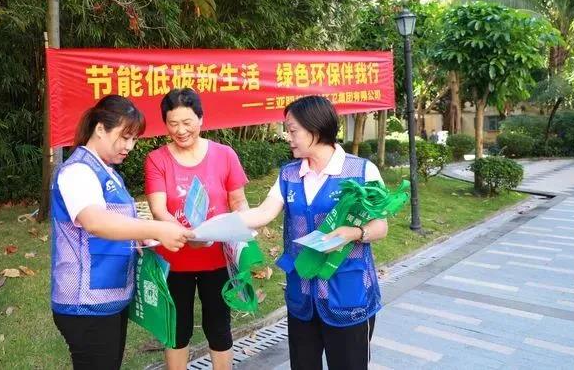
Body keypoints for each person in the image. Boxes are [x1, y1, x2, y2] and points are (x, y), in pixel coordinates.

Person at [239, 95, 387, 370]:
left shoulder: (361, 171)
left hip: (347, 295)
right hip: (303, 295)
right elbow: (263, 213)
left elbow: (381, 226)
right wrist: (218, 223)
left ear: (315, 129)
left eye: (292, 130)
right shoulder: (289, 174)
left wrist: (355, 233)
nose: (288, 137)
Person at [50, 94, 193, 370]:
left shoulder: (109, 172)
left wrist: (140, 237)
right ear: (100, 128)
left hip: (108, 298)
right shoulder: (78, 171)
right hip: (84, 305)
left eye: (134, 139)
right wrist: (156, 227)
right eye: (124, 137)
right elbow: (94, 221)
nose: (129, 146)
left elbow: (117, 221)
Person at [145, 88, 250, 370]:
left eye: (187, 122)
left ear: (201, 119)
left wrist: (242, 232)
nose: (180, 130)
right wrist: (185, 236)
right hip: (175, 259)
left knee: (219, 326)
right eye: (173, 123)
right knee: (177, 330)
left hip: (217, 260)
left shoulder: (224, 155)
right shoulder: (157, 159)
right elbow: (158, 210)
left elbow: (239, 202)